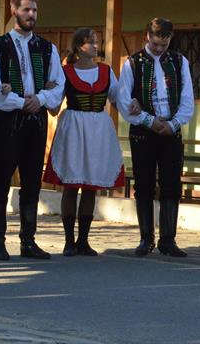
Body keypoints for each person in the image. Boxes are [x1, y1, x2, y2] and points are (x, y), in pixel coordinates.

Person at [0, 0, 65, 261]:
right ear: (14, 11)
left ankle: (28, 240)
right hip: (9, 121)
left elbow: (58, 84)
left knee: (31, 181)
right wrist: (21, 101)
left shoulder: (47, 48)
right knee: (1, 180)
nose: (31, 15)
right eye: (26, 10)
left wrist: (40, 99)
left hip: (37, 121)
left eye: (34, 10)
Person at [42, 28, 125, 256]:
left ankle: (84, 241)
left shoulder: (106, 71)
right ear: (79, 46)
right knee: (71, 185)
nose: (96, 46)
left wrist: (135, 107)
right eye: (91, 42)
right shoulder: (65, 72)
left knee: (90, 186)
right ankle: (69, 241)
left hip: (98, 130)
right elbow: (54, 108)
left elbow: (119, 99)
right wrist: (47, 92)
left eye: (97, 42)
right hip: (73, 130)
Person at [117, 18, 194, 258]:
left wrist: (173, 124)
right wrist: (149, 120)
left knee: (171, 184)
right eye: (155, 44)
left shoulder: (179, 61)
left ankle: (168, 240)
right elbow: (123, 101)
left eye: (164, 44)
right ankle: (146, 239)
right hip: (143, 132)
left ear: (171, 39)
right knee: (144, 184)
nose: (159, 48)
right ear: (147, 37)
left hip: (171, 131)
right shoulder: (133, 63)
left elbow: (187, 99)